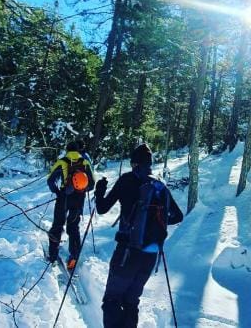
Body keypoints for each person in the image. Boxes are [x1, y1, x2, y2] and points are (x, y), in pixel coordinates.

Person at [94, 143, 183, 328]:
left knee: (112, 300)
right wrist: (154, 224)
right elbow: (177, 216)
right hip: (150, 255)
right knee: (131, 302)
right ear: (149, 163)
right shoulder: (160, 185)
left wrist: (99, 190)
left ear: (134, 163)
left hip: (127, 253)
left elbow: (102, 208)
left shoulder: (126, 180)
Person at [46, 141, 95, 268]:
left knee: (57, 225)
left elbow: (51, 181)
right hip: (78, 199)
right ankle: (73, 258)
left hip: (64, 198)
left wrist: (57, 192)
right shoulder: (85, 162)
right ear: (78, 150)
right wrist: (81, 189)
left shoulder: (62, 161)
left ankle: (52, 256)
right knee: (73, 227)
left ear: (67, 150)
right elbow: (91, 184)